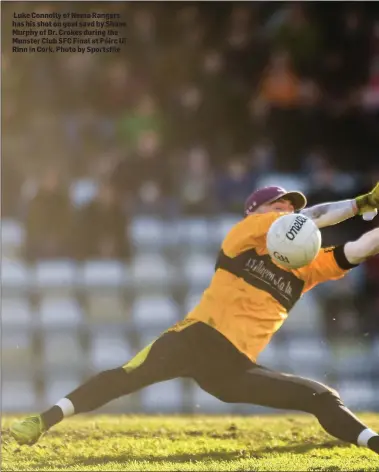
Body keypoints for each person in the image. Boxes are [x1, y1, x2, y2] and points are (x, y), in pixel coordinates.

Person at [11, 183, 379, 456]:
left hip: (232, 371)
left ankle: (373, 443)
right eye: (277, 203)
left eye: (289, 205)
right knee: (124, 378)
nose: (285, 207)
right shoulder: (241, 237)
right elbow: (305, 219)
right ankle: (42, 421)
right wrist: (362, 203)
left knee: (321, 396)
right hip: (193, 339)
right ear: (254, 212)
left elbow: (360, 249)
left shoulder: (305, 269)